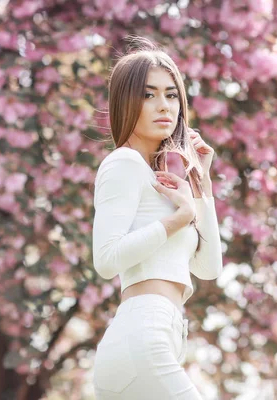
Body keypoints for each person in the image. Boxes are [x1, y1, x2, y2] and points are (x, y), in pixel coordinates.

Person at [91, 36, 222, 399]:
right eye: (148, 95)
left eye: (171, 94)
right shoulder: (123, 163)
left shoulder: (163, 180)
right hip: (142, 335)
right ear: (125, 103)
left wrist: (202, 186)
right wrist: (176, 221)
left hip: (162, 334)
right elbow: (106, 259)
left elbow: (209, 268)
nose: (164, 106)